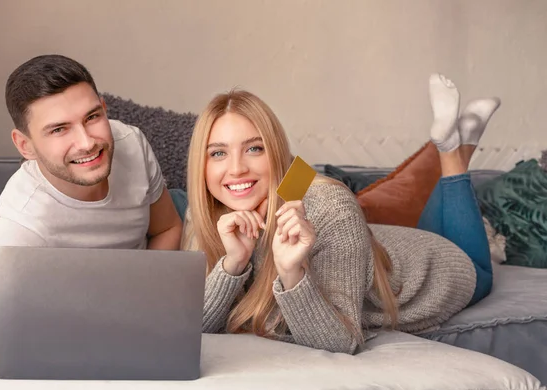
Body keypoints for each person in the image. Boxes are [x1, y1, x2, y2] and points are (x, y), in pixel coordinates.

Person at [181, 75, 501, 354]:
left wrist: (292, 273)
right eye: (218, 153)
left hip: (434, 270)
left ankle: (452, 153)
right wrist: (232, 264)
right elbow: (192, 327)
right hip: (383, 243)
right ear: (202, 164)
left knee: (478, 270)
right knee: (426, 226)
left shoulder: (325, 203)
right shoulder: (206, 212)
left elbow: (339, 342)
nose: (235, 168)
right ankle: (461, 139)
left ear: (276, 152)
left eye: (254, 148)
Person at [0, 55, 183, 354]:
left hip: (140, 286)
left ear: (104, 108)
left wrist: (136, 297)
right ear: (25, 145)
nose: (87, 142)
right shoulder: (23, 220)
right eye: (59, 129)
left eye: (92, 117)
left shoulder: (130, 141)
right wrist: (90, 316)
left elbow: (168, 227)